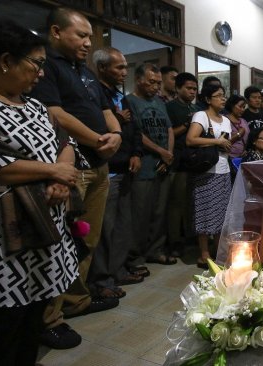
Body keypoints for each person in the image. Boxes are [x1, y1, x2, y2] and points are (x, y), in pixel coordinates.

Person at [0, 18, 80, 364]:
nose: (40, 74)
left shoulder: (35, 105)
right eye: (36, 64)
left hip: (44, 238)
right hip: (1, 244)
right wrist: (53, 170)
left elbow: (65, 144)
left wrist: (59, 177)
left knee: (28, 329)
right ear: (6, 61)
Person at [30, 7, 122, 346]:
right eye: (81, 35)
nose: (88, 42)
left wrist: (116, 135)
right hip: (70, 165)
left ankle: (74, 300)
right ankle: (48, 317)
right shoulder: (47, 67)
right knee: (62, 241)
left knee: (88, 239)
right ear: (56, 31)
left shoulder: (83, 72)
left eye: (89, 36)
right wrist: (97, 139)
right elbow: (54, 113)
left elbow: (106, 110)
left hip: (99, 165)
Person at [88, 47, 144, 301]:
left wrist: (136, 153)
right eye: (119, 67)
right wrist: (117, 121)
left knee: (123, 226)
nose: (124, 72)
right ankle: (101, 279)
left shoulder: (121, 96)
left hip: (126, 167)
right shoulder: (93, 93)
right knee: (104, 229)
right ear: (102, 68)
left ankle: (118, 270)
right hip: (107, 170)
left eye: (125, 66)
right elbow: (96, 130)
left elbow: (135, 129)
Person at [126, 63, 176, 267]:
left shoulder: (159, 102)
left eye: (158, 83)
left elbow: (169, 129)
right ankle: (134, 256)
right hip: (144, 166)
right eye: (151, 82)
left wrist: (169, 154)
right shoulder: (129, 101)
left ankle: (155, 250)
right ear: (138, 80)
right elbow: (136, 133)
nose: (156, 87)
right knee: (139, 213)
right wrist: (161, 152)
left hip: (163, 165)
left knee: (159, 212)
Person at [185, 84, 232, 268]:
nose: (223, 98)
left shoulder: (226, 120)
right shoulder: (201, 116)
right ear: (208, 99)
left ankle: (216, 250)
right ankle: (204, 254)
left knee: (221, 213)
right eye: (218, 95)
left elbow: (224, 143)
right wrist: (217, 141)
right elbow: (191, 139)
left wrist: (227, 143)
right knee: (205, 212)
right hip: (206, 170)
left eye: (223, 95)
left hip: (224, 169)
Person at [165, 72, 198, 257]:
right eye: (188, 88)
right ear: (178, 88)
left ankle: (190, 236)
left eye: (194, 89)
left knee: (191, 203)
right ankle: (174, 241)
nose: (192, 92)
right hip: (178, 161)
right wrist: (188, 124)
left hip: (196, 161)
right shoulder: (170, 107)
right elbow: (170, 133)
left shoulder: (198, 108)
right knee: (176, 203)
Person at [225, 94, 249, 159]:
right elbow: (224, 142)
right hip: (228, 158)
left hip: (242, 157)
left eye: (244, 107)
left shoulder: (244, 121)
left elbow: (247, 139)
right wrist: (239, 134)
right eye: (240, 106)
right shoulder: (224, 120)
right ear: (232, 105)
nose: (242, 109)